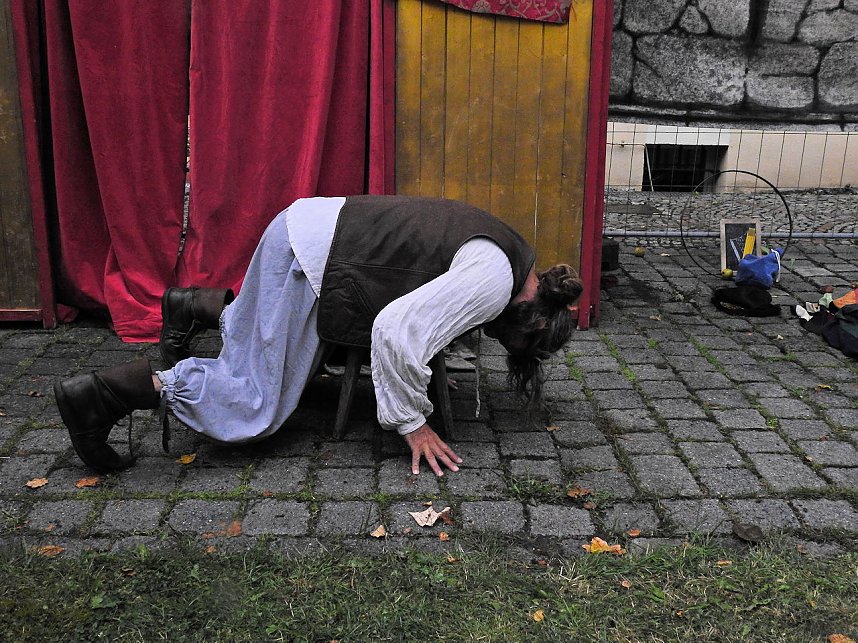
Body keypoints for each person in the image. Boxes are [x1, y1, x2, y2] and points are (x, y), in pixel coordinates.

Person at [54, 195, 583, 477]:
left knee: (262, 343)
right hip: (312, 259)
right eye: (510, 342)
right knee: (256, 404)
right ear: (531, 319)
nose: (494, 338)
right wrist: (413, 424)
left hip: (307, 225)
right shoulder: (493, 284)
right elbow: (395, 332)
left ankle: (191, 305)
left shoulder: (515, 257)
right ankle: (106, 396)